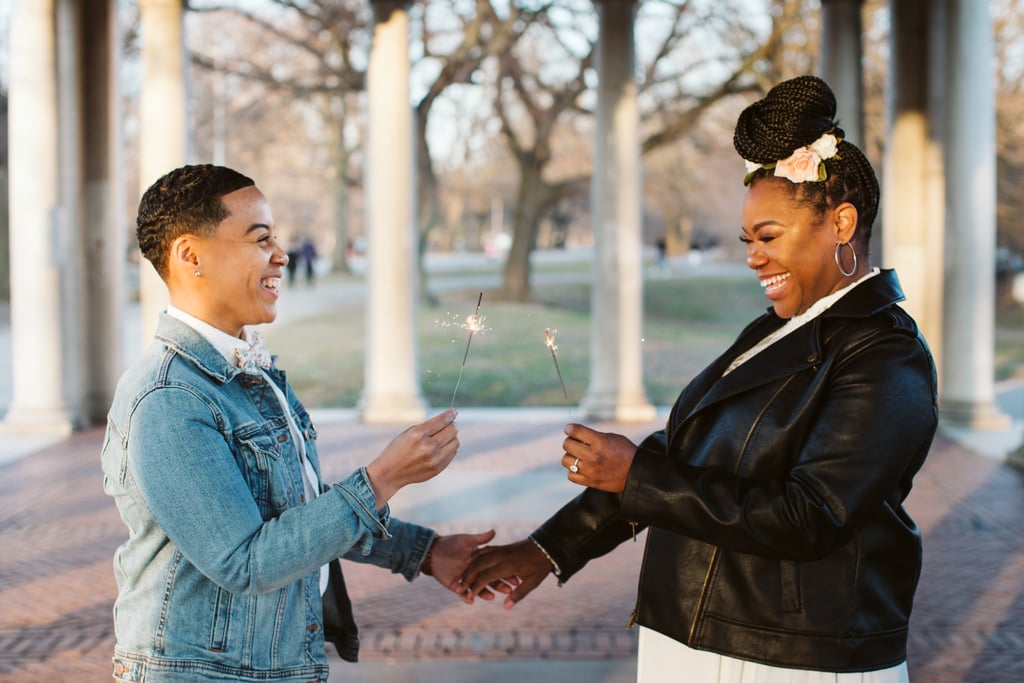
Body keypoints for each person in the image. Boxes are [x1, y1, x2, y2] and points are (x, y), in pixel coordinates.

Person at [463, 75, 938, 682]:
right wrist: (549, 548)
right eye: (748, 240)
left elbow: (810, 515)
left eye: (768, 237)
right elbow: (679, 459)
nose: (752, 256)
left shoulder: (885, 354)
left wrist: (638, 475)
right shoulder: (772, 332)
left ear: (841, 223)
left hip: (792, 658)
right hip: (690, 638)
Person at [102, 164, 494, 683]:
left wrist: (422, 552)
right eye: (260, 238)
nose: (281, 256)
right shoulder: (169, 396)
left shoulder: (245, 373)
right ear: (190, 255)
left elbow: (292, 509)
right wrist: (384, 477)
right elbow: (247, 562)